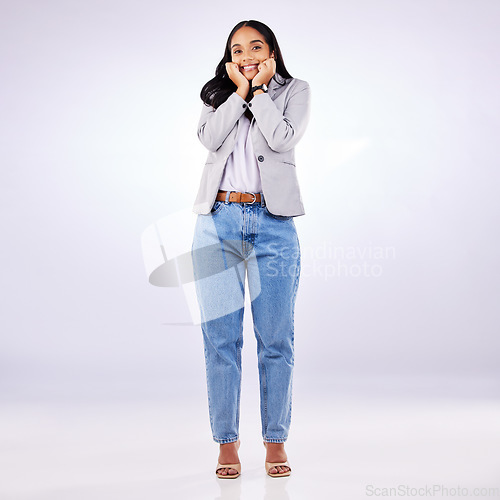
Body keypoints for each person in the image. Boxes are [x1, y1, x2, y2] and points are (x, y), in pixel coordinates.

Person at [190, 19, 311, 479]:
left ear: (272, 50)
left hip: (273, 224)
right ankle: (227, 442)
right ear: (229, 57)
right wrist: (239, 91)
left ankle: (275, 440)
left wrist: (260, 92)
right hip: (216, 223)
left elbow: (282, 138)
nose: (247, 55)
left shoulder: (294, 90)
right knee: (221, 340)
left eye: (255, 46)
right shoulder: (216, 94)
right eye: (237, 50)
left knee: (275, 339)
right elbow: (207, 139)